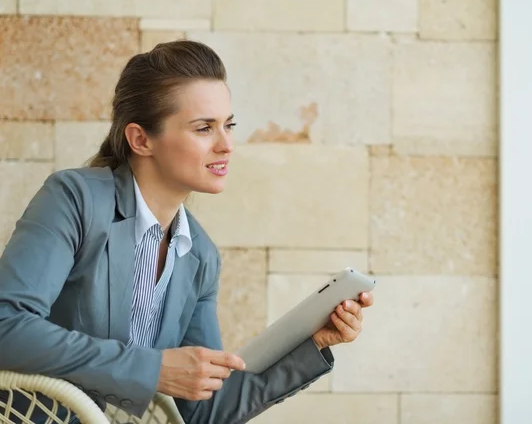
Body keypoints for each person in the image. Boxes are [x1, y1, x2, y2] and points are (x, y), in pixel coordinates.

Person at [0, 40, 374, 423]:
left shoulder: (200, 256)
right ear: (141, 139)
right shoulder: (74, 199)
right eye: (203, 128)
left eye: (228, 125)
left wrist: (314, 342)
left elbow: (202, 411)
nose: (226, 145)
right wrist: (151, 369)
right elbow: (6, 324)